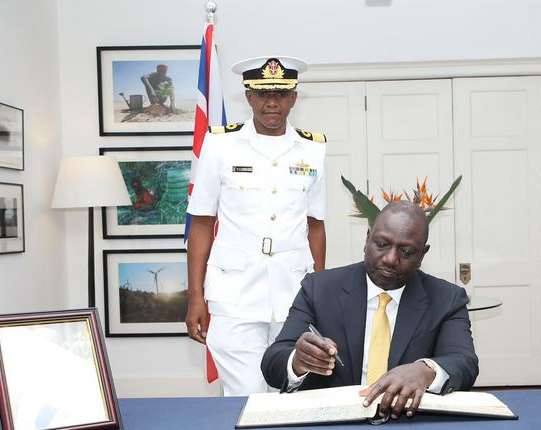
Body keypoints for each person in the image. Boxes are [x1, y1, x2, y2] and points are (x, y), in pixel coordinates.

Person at [185, 56, 327, 396]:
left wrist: (320, 295)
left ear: (294, 97)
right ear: (248, 96)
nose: (271, 103)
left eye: (280, 93)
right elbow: (202, 224)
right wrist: (194, 296)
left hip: (293, 292)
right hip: (234, 295)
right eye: (262, 94)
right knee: (246, 393)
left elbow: (315, 227)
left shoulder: (313, 149)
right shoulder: (220, 144)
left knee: (291, 393)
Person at [261, 202, 478, 420]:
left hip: (406, 422)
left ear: (422, 255)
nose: (391, 259)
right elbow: (273, 362)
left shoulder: (446, 299)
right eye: (382, 244)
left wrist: (426, 370)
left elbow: (464, 363)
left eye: (406, 251)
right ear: (367, 239)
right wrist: (298, 361)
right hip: (334, 423)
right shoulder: (319, 288)